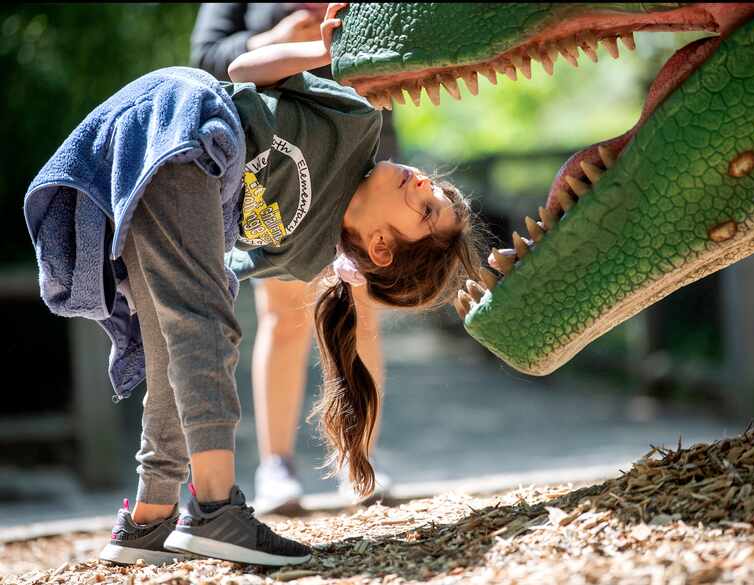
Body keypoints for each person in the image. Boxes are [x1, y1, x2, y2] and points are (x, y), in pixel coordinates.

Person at [23, 3, 481, 567]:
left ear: (384, 248)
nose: (424, 183)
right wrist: (321, 53)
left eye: (428, 209)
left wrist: (206, 285)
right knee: (204, 325)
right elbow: (243, 69)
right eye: (434, 190)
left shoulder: (306, 254)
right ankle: (216, 509)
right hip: (185, 121)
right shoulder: (358, 124)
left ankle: (149, 518)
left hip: (175, 171)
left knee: (173, 343)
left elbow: (229, 270)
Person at [190, 2, 399, 513]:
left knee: (360, 314)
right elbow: (206, 63)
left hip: (359, 153)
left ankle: (358, 460)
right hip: (278, 172)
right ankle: (276, 466)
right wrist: (281, 39)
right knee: (282, 318)